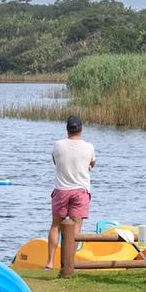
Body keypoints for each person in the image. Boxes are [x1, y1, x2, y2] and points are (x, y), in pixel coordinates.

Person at [45, 115, 96, 270]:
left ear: (67, 129)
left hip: (61, 190)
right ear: (81, 129)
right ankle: (69, 263)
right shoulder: (89, 147)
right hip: (81, 191)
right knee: (75, 229)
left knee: (55, 226)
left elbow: (55, 161)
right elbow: (92, 163)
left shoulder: (58, 145)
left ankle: (50, 262)